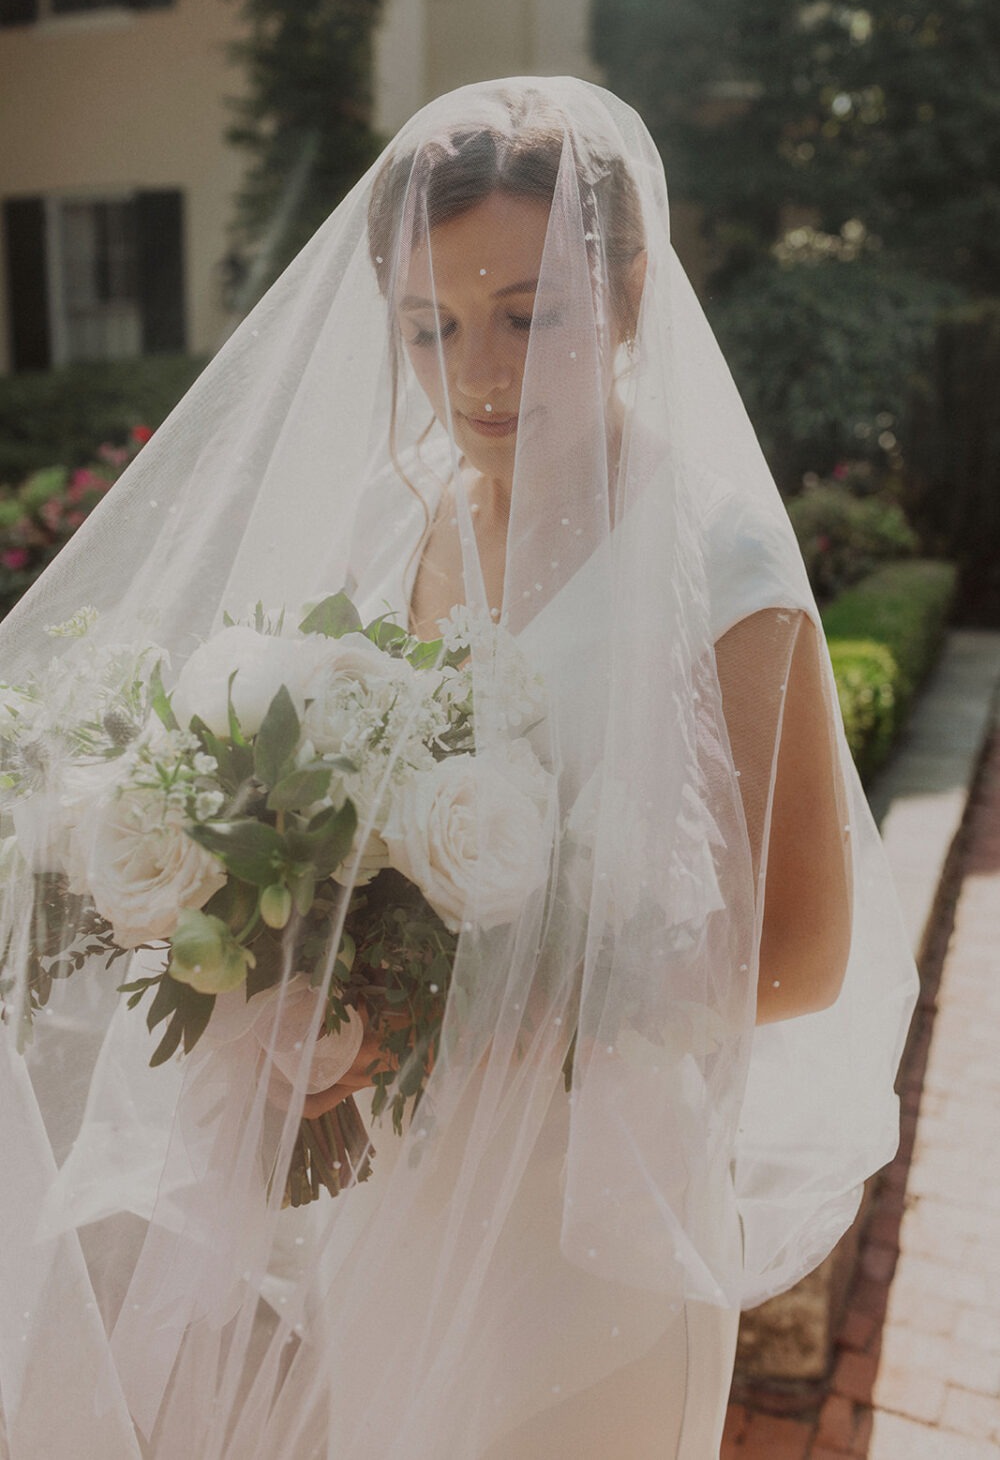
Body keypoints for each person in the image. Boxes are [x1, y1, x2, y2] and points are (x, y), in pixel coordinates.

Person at [0, 79, 916, 1460]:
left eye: (526, 317)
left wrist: (478, 1005)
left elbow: (800, 951)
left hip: (596, 1220)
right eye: (429, 329)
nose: (478, 376)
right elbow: (315, 827)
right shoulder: (393, 515)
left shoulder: (717, 565)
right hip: (393, 1198)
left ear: (623, 301)